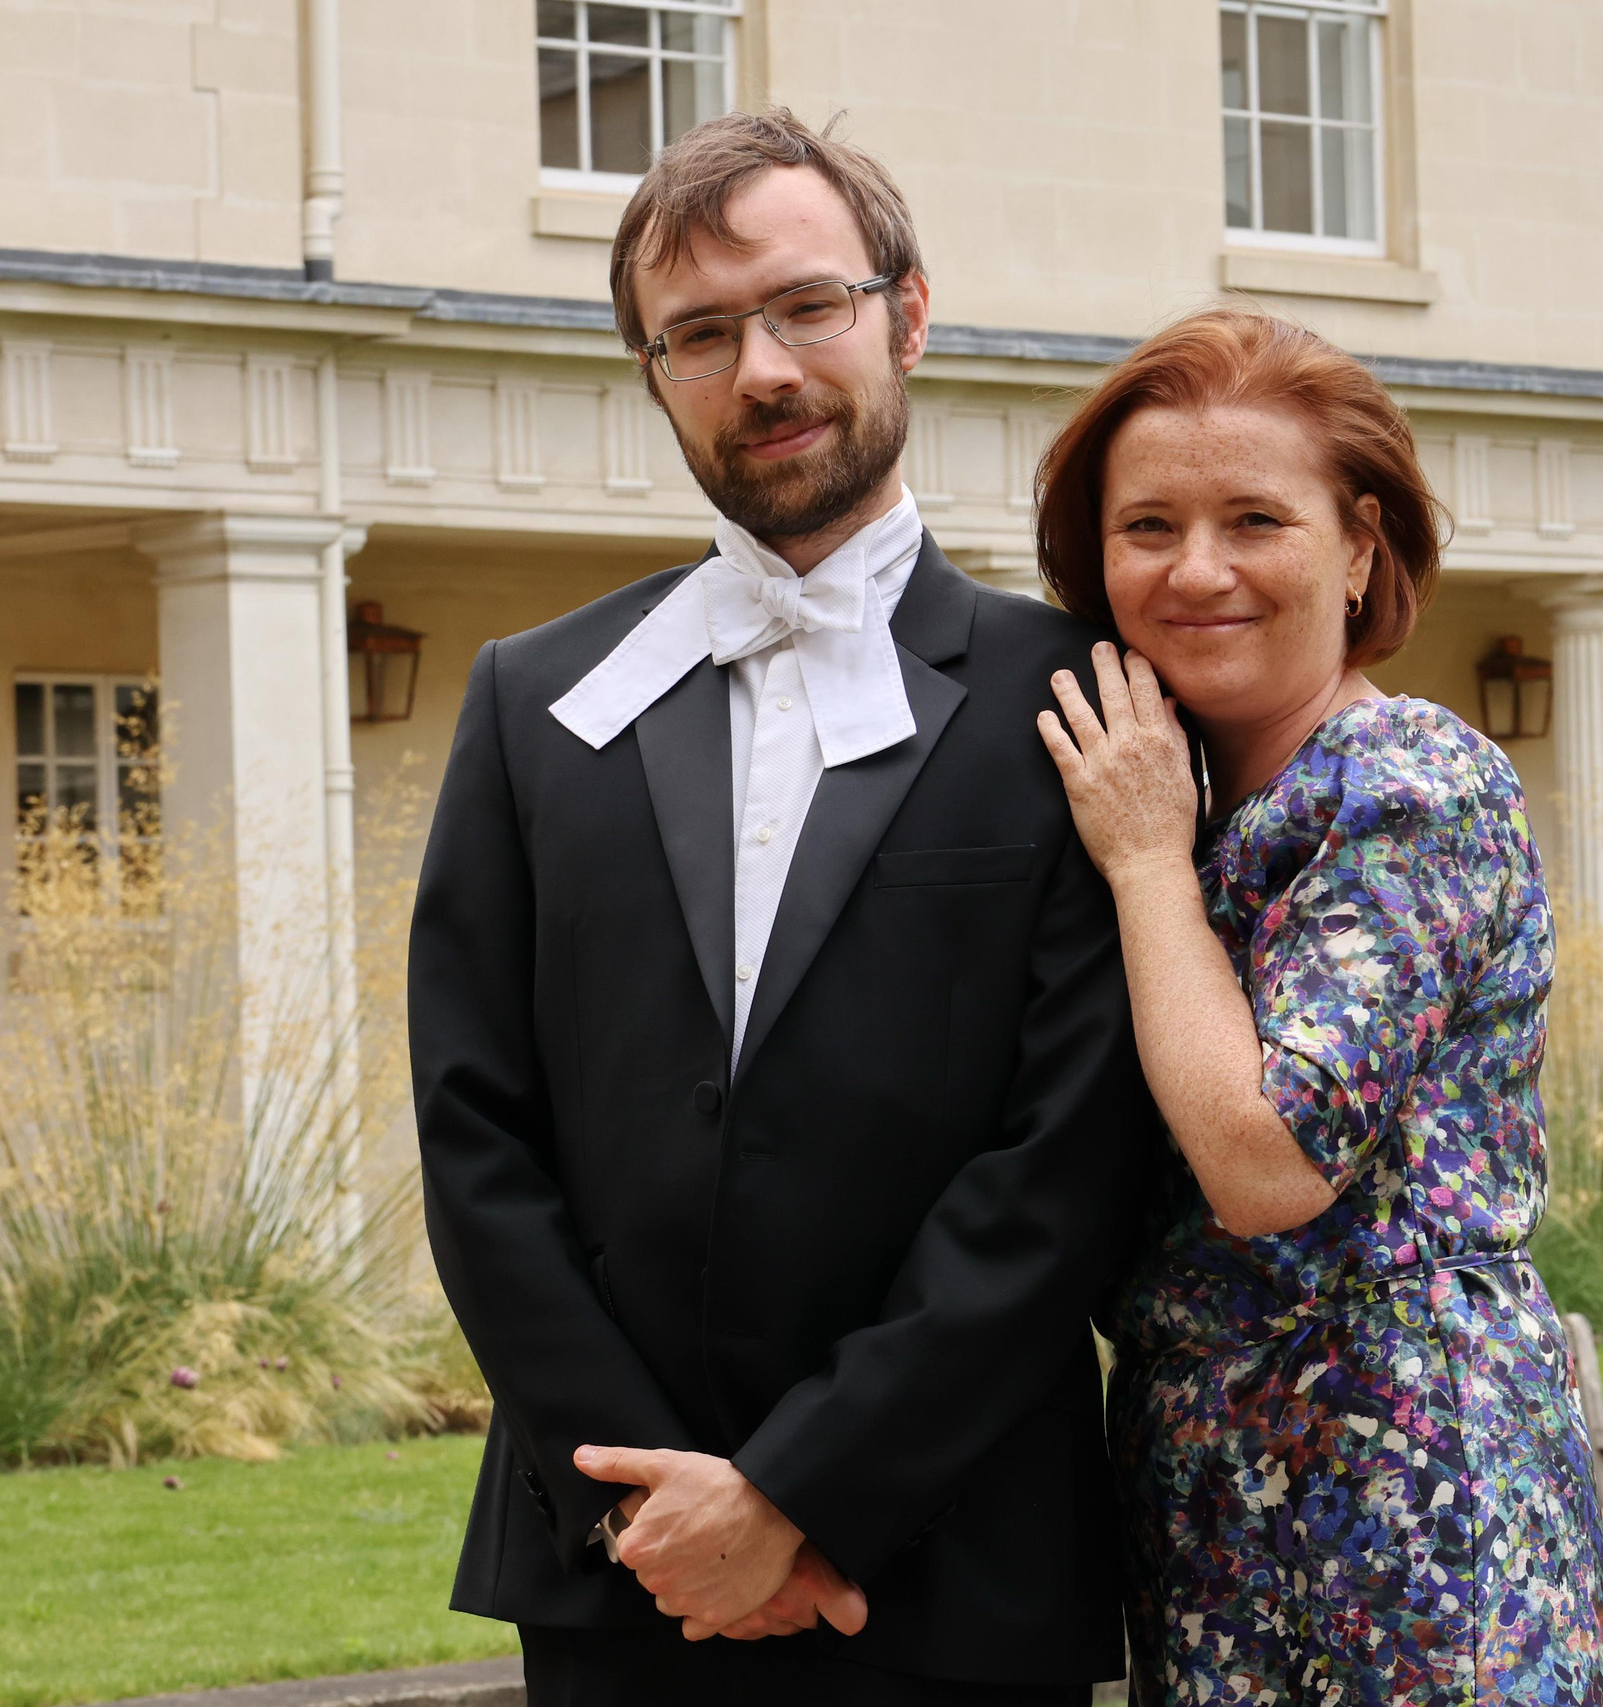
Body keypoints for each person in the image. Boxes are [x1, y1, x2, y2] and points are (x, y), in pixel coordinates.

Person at [408, 110, 1150, 1707]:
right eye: (699, 334)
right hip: (624, 1577)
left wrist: (805, 1494)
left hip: (953, 1570)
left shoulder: (1082, 698)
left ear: (909, 314)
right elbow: (475, 1136)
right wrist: (661, 1510)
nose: (763, 370)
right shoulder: (533, 703)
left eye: (809, 306)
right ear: (651, 372)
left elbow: (1069, 1154)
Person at [1031, 307, 1603, 1706]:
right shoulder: (1189, 797)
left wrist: (1147, 860)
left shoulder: (1405, 786)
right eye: (1149, 526)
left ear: (1357, 548)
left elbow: (1265, 1160)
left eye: (1254, 521)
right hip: (1205, 1479)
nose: (1198, 570)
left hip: (1407, 1481)